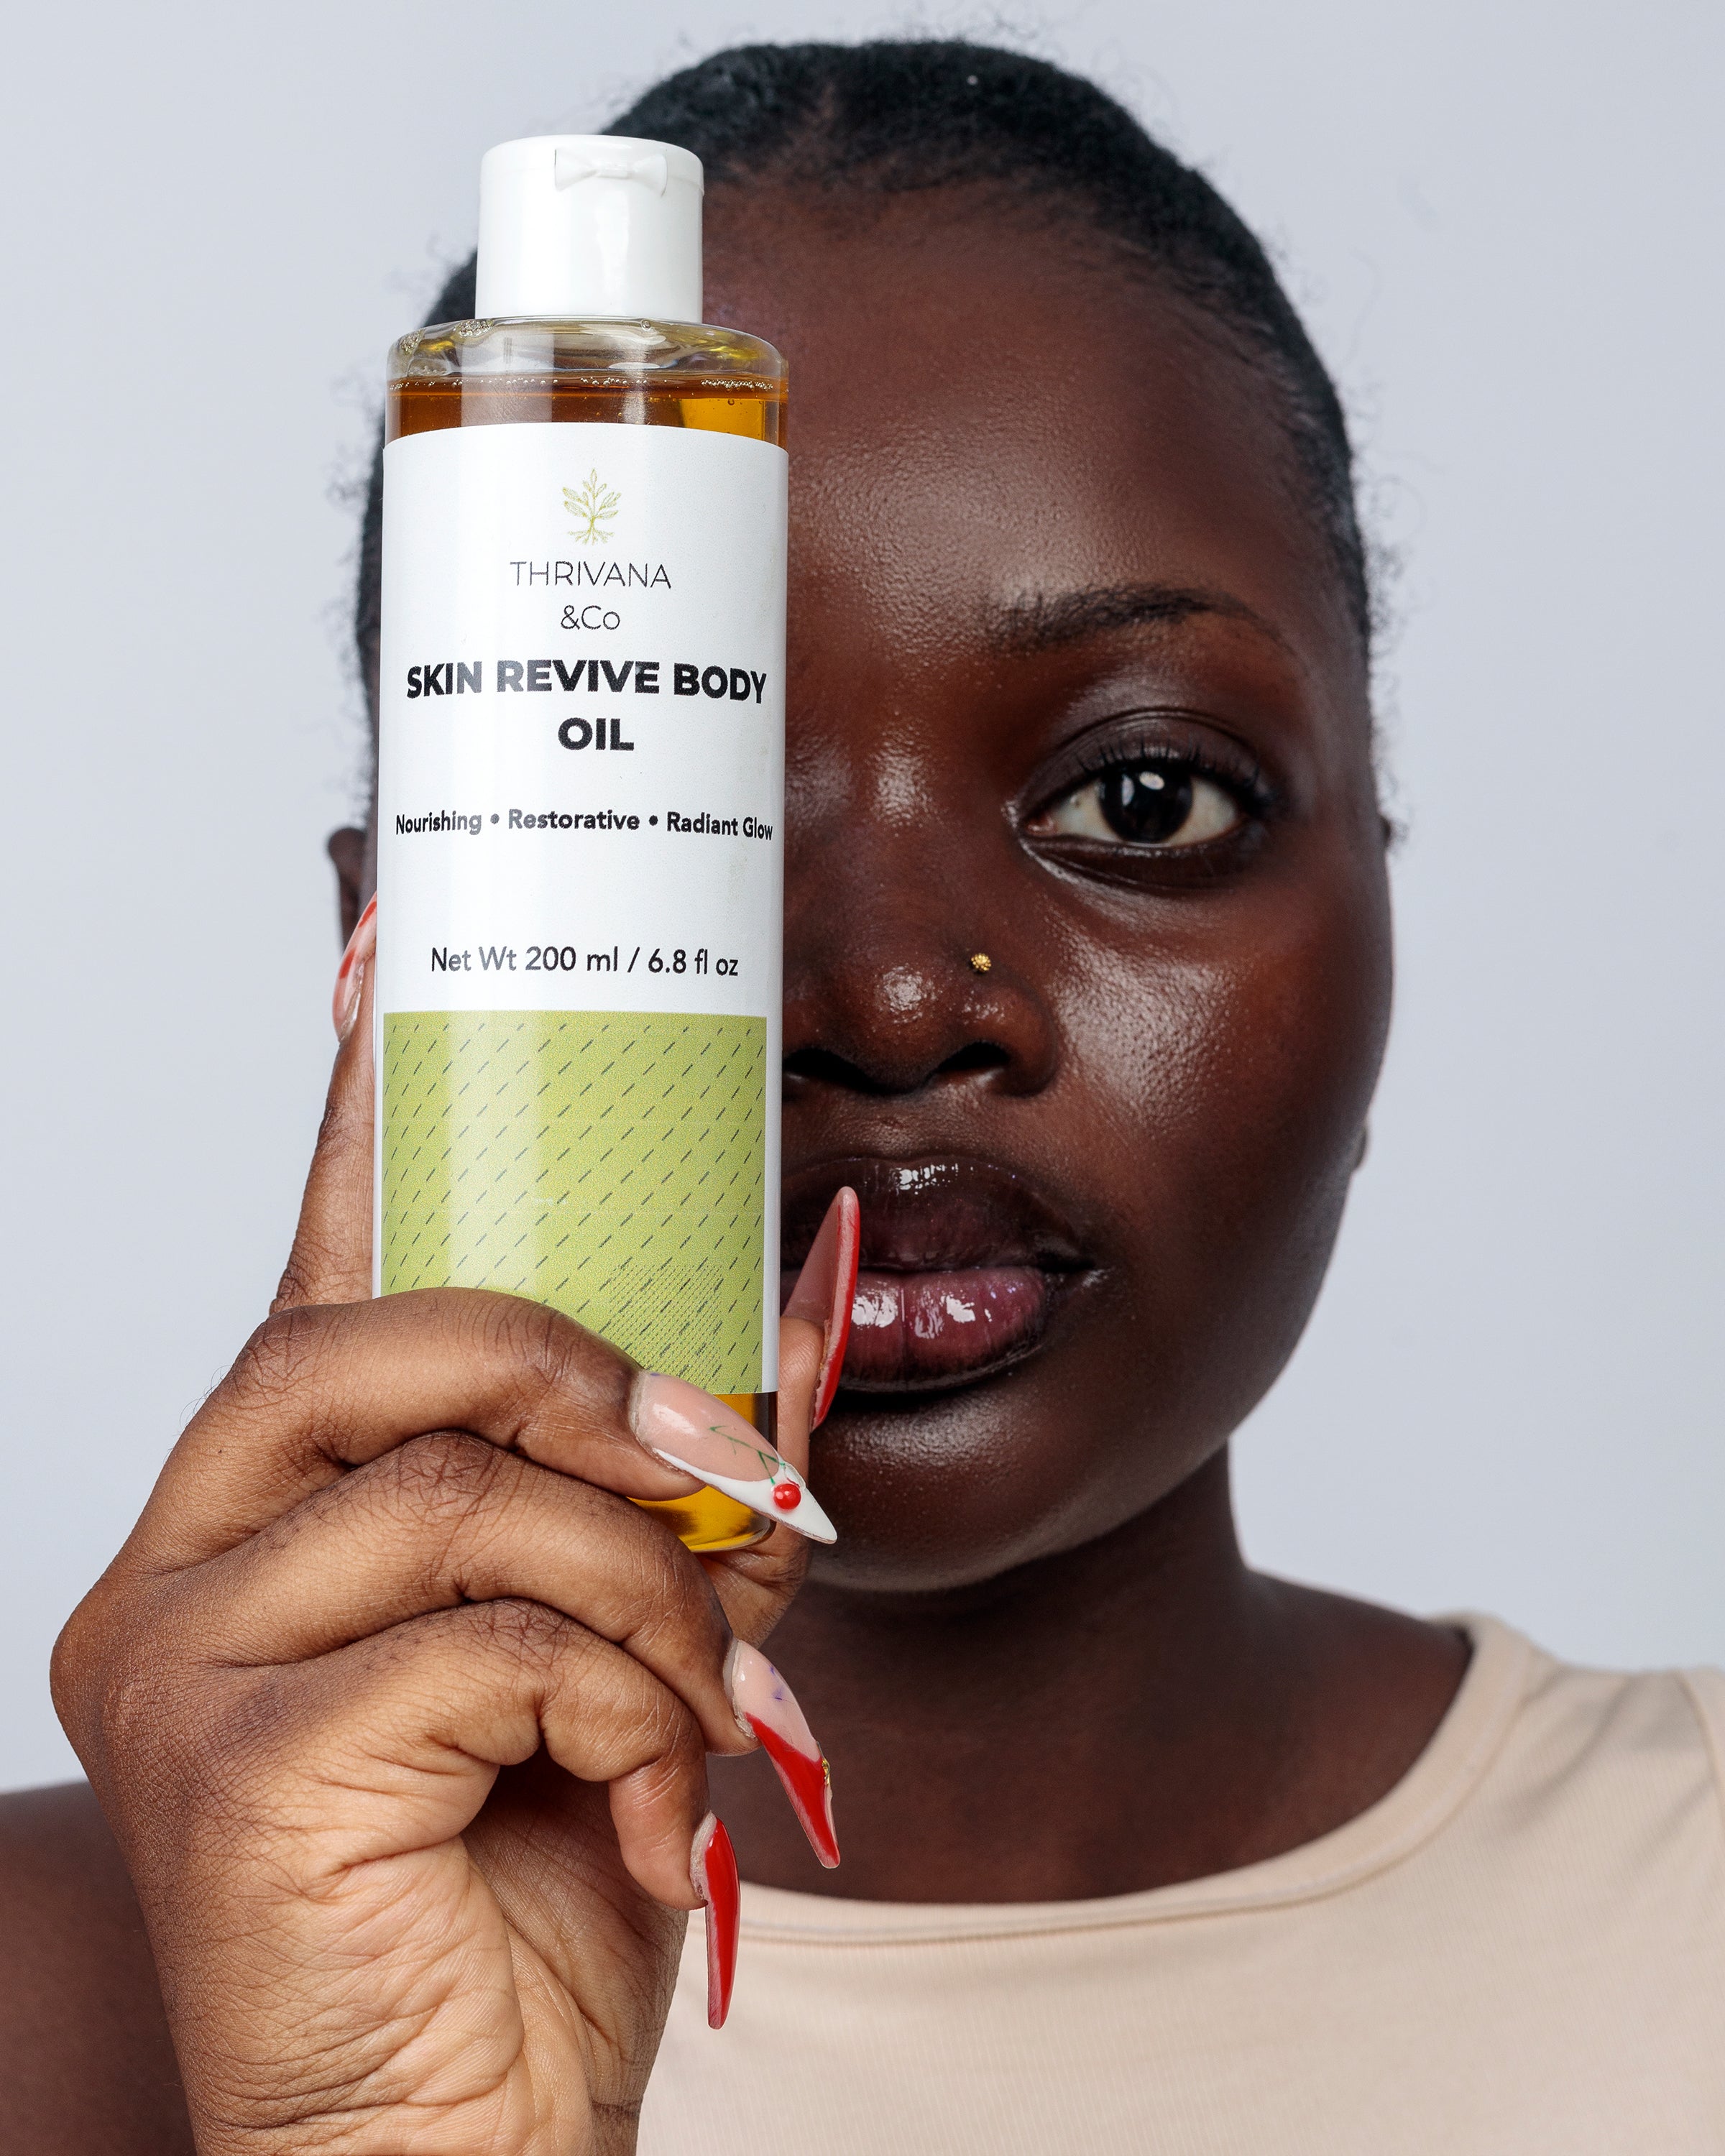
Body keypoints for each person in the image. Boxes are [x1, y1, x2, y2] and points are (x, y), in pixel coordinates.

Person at [5, 37, 1723, 2156]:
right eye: (676, 825)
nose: (899, 1000)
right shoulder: (52, 2009)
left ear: (1379, 883)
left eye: (1144, 796)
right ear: (392, 967)